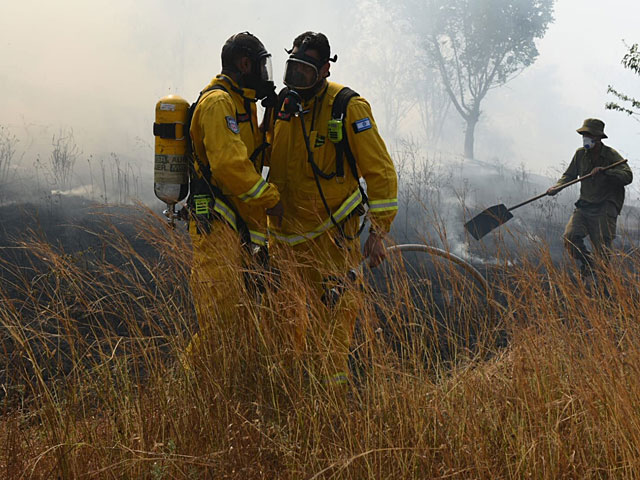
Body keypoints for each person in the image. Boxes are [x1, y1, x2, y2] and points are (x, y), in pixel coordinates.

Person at [267, 31, 398, 387]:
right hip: (283, 241)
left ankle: (331, 398)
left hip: (331, 241)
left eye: (305, 72)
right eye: (292, 69)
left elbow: (381, 173)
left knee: (334, 325)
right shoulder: (282, 106)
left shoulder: (347, 107)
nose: (296, 80)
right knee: (284, 323)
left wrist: (378, 232)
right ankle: (290, 391)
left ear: (324, 69)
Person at [186, 32, 282, 364]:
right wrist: (270, 198)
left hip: (239, 232)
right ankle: (184, 391)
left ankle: (226, 388)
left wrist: (274, 120)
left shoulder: (242, 103)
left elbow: (257, 156)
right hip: (217, 229)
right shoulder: (218, 103)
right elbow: (229, 166)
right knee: (219, 323)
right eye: (260, 66)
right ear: (245, 64)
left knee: (243, 321)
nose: (264, 74)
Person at [547, 118, 632, 274]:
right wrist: (557, 187)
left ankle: (605, 285)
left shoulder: (610, 155)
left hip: (604, 207)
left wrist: (606, 171)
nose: (585, 138)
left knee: (603, 250)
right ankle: (588, 263)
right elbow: (569, 175)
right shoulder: (580, 154)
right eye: (584, 134)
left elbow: (627, 176)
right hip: (585, 205)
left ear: (598, 137)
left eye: (589, 134)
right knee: (570, 237)